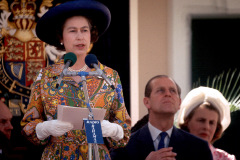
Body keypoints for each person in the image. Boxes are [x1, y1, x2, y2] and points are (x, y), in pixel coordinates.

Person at [20, 0, 131, 159]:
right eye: (72, 31)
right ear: (61, 37)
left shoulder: (109, 76)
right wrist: (44, 128)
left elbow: (125, 131)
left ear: (91, 34)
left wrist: (114, 130)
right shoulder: (45, 77)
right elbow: (28, 127)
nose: (80, 37)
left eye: (84, 30)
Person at [111, 75, 213, 160]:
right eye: (160, 90)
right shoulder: (122, 147)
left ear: (179, 103)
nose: (168, 94)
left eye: (172, 91)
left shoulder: (199, 148)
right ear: (147, 102)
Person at [177, 86, 236, 160]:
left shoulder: (225, 159)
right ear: (187, 122)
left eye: (211, 123)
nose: (206, 127)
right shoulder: (169, 155)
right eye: (201, 120)